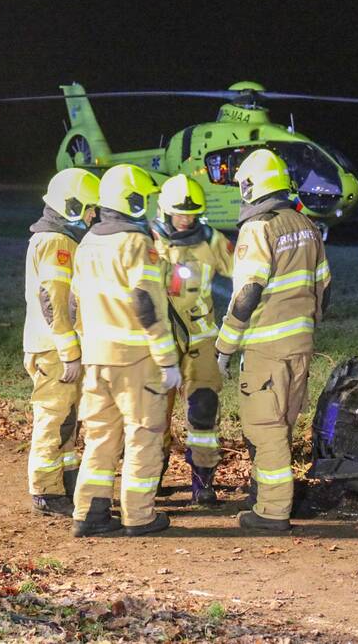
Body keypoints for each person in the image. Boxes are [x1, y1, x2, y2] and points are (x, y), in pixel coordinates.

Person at [216, 149, 330, 532]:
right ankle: (270, 499)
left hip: (266, 346)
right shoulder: (306, 224)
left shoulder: (258, 228)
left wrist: (225, 346)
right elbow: (323, 286)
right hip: (300, 344)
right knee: (283, 425)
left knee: (264, 429)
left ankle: (272, 511)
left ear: (250, 186)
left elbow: (248, 291)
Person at [70, 164, 180, 537]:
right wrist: (167, 361)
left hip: (95, 358)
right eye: (144, 199)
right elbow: (145, 305)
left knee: (100, 438)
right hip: (135, 360)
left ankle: (90, 514)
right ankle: (139, 515)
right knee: (143, 435)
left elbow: (73, 305)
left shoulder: (87, 243)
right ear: (132, 200)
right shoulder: (137, 244)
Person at [151, 174, 234, 504]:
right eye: (178, 214)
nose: (185, 220)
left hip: (200, 340)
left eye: (191, 214)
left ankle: (203, 482)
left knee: (203, 411)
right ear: (163, 211)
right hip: (161, 342)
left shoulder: (212, 241)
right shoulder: (148, 241)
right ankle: (149, 477)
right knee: (154, 415)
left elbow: (244, 275)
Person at [23, 168, 99, 516]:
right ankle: (46, 490)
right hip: (55, 350)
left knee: (67, 419)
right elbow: (53, 300)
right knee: (53, 418)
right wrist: (70, 353)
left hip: (54, 346)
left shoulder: (56, 239)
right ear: (72, 206)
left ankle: (65, 478)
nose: (93, 215)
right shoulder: (57, 242)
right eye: (90, 208)